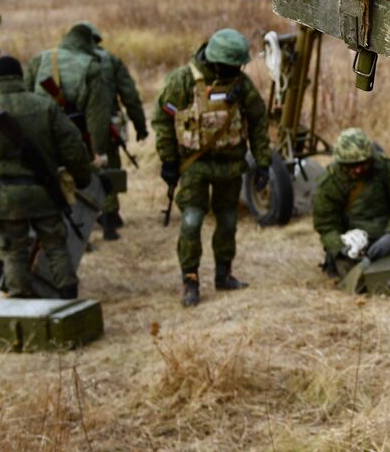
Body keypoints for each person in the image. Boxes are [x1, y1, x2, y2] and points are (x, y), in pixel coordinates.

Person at [152, 29, 271, 306]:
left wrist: (263, 163)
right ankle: (190, 280)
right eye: (231, 66)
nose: (236, 71)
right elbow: (163, 120)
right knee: (192, 220)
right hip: (194, 165)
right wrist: (168, 160)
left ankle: (223, 274)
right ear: (216, 61)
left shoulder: (241, 85)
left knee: (228, 221)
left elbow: (258, 122)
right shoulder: (182, 81)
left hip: (231, 165)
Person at [0, 55, 92, 299]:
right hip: (45, 192)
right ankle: (70, 302)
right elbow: (72, 146)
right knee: (56, 247)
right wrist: (83, 178)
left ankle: (20, 305)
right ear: (20, 78)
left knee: (14, 253)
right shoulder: (46, 106)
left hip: (4, 199)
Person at [312, 127, 390, 277]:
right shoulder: (329, 184)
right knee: (357, 276)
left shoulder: (386, 169)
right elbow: (326, 225)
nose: (358, 170)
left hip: (387, 232)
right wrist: (342, 248)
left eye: (363, 163)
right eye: (351, 166)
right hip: (353, 245)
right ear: (341, 163)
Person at [87, 23, 147, 241]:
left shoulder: (66, 61)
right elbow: (130, 96)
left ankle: (92, 213)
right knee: (110, 164)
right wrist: (140, 126)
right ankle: (110, 216)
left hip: (77, 123)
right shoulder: (111, 60)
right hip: (107, 123)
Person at [24, 21, 112, 167]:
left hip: (39, 136)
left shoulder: (38, 59)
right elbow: (97, 114)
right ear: (88, 43)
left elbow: (25, 98)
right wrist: (99, 152)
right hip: (74, 138)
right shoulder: (91, 66)